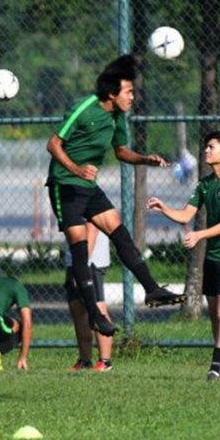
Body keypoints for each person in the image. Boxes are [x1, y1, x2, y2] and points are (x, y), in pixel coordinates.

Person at [46, 54, 185, 337]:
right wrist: (75, 168)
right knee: (80, 250)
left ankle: (152, 289)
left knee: (120, 233)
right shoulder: (84, 107)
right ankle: (95, 315)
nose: (133, 97)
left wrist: (146, 159)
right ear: (112, 93)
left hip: (88, 188)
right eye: (129, 92)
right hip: (65, 186)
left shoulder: (118, 116)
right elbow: (53, 144)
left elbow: (121, 152)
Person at [148, 131, 220, 381]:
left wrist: (199, 235)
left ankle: (215, 365)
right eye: (205, 147)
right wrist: (164, 208)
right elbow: (184, 215)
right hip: (212, 257)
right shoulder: (204, 184)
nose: (206, 151)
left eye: (211, 147)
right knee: (215, 315)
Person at [65, 223, 113, 371]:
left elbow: (92, 228)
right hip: (73, 261)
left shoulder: (85, 199)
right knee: (77, 307)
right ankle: (85, 360)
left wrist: (83, 263)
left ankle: (105, 361)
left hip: (91, 262)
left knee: (97, 306)